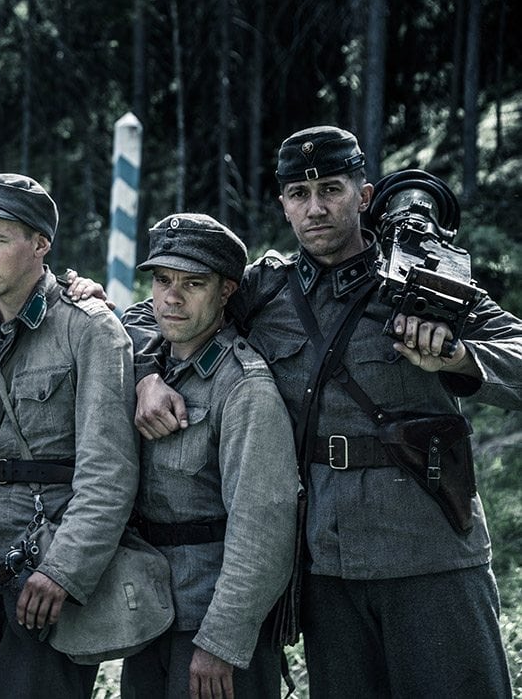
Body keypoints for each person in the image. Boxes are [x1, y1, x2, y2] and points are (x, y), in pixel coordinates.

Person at [125, 126, 520, 697]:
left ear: (363, 196)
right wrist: (147, 374)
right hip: (324, 563)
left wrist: (459, 356)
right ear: (284, 204)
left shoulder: (426, 284)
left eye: (331, 190)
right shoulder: (266, 290)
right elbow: (153, 312)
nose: (316, 208)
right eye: (300, 195)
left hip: (427, 547)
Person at [0, 173, 139, 699]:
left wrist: (64, 570)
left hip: (45, 572)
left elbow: (109, 472)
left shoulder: (89, 329)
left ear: (40, 244)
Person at [120, 213, 298, 699]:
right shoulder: (153, 366)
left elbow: (264, 529)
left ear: (225, 292)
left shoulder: (244, 387)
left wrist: (222, 641)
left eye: (193, 283)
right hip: (150, 613)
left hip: (209, 624)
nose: (172, 297)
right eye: (162, 280)